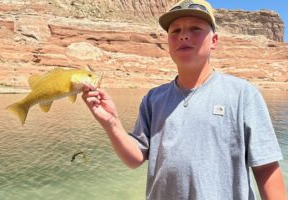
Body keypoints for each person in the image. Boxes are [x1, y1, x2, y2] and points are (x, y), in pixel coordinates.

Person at [82, 0, 287, 199]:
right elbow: (135, 158)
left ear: (214, 41)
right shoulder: (154, 98)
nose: (184, 36)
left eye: (195, 29)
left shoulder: (243, 94)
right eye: (175, 31)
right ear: (168, 43)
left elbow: (266, 168)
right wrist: (111, 123)